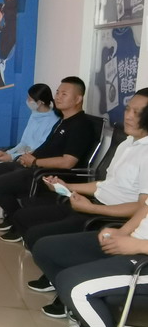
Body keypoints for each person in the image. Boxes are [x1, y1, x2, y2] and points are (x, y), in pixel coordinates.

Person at [18, 90, 148, 315]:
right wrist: (68, 187)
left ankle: (69, 295)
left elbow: (140, 206)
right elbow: (105, 185)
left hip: (106, 214)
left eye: (138, 113)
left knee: (41, 238)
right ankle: (61, 286)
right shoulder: (127, 143)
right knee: (30, 226)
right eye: (128, 109)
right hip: (96, 206)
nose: (128, 116)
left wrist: (94, 209)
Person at [32, 203, 148, 327]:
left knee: (73, 285)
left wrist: (140, 246)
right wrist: (123, 232)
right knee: (45, 249)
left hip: (142, 252)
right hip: (134, 242)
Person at [0, 76, 96, 226]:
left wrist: (35, 161)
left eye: (64, 94)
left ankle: (18, 222)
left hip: (48, 174)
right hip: (35, 165)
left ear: (78, 99)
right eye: (57, 92)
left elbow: (68, 162)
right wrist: (26, 157)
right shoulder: (63, 121)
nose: (58, 97)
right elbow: (45, 146)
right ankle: (16, 215)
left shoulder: (80, 125)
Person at [0, 83, 58, 219]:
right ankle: (3, 204)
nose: (27, 101)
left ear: (40, 102)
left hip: (31, 160)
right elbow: (24, 142)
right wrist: (8, 153)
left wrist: (12, 157)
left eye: (30, 99)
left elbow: (37, 149)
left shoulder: (53, 121)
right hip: (20, 155)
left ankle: (6, 207)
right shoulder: (35, 114)